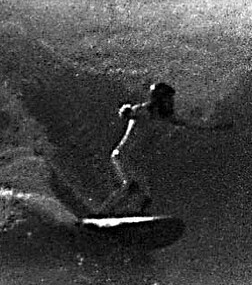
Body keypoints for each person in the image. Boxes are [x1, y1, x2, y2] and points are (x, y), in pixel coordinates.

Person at [96, 81, 228, 216]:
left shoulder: (166, 117)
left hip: (132, 159)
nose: (171, 102)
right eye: (168, 98)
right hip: (122, 154)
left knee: (146, 197)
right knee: (130, 185)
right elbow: (128, 112)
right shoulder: (143, 110)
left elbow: (190, 123)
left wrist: (214, 127)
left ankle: (130, 218)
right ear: (158, 99)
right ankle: (101, 213)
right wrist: (126, 110)